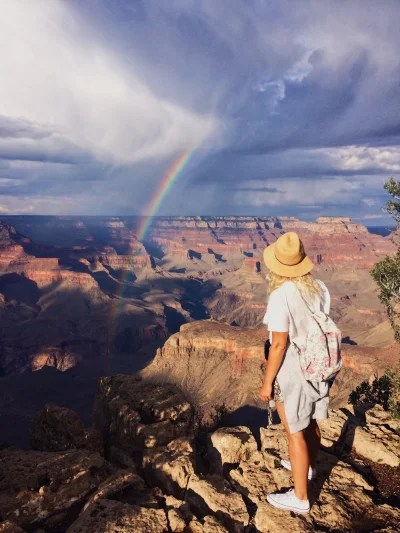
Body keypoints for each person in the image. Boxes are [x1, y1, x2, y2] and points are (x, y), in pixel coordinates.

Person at [259, 231, 331, 515]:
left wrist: (267, 384)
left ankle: (300, 498)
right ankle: (309, 466)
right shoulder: (320, 288)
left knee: (294, 432)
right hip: (320, 364)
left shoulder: (281, 296)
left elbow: (278, 346)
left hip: (293, 371)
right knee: (310, 420)